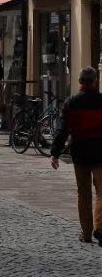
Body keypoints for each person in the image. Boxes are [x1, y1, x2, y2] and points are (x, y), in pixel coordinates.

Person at [50, 66, 102, 245]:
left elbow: (62, 129)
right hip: (100, 151)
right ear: (95, 81)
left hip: (80, 151)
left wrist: (55, 152)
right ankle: (100, 226)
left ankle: (86, 233)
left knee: (84, 193)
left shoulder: (71, 102)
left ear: (80, 81)